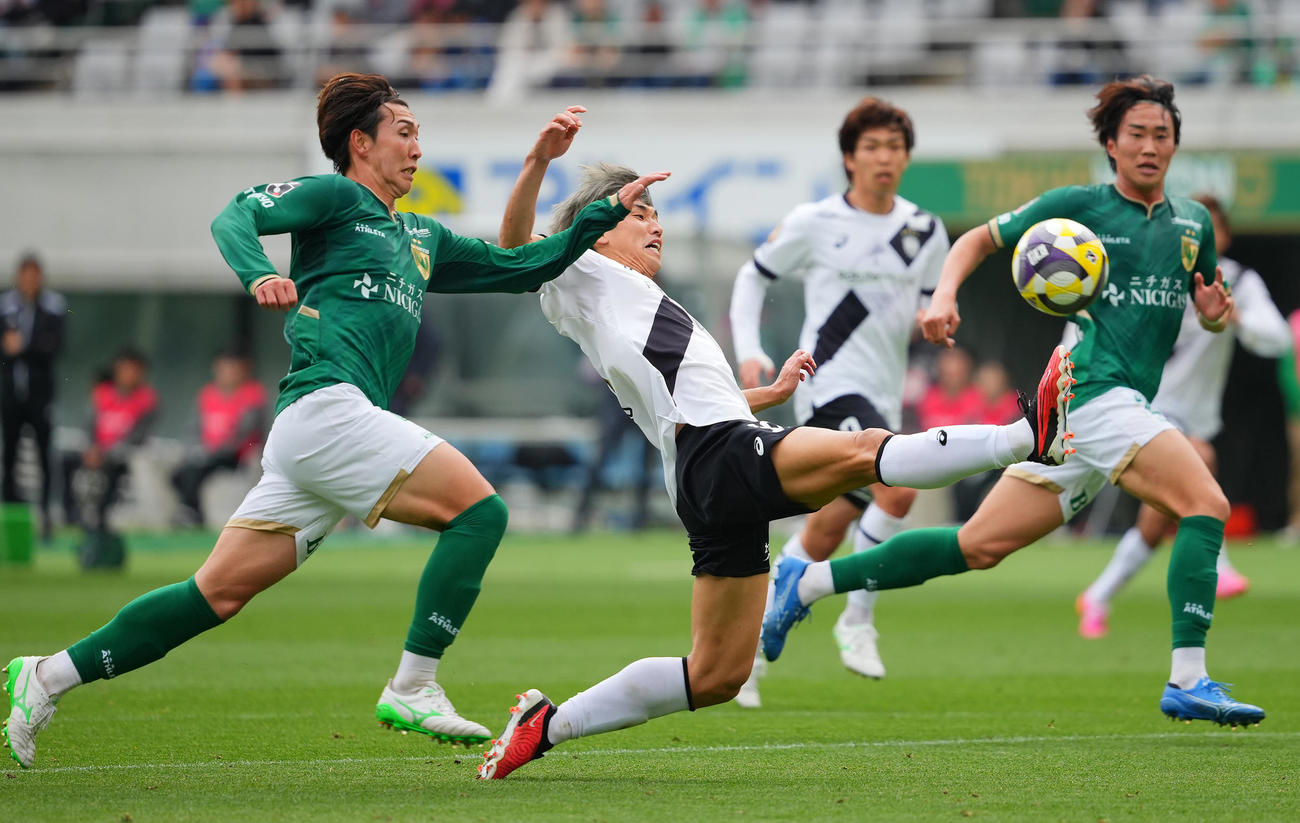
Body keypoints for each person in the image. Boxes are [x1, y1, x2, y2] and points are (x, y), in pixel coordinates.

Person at [1, 73, 667, 770]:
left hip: (321, 431)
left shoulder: (420, 236)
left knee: (213, 596)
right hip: (326, 409)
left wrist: (594, 215)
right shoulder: (338, 197)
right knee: (480, 513)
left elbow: (518, 266)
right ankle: (413, 683)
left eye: (419, 135)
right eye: (404, 133)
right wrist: (258, 273)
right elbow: (234, 215)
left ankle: (45, 675)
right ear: (360, 143)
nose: (417, 149)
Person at [474, 108, 1074, 780]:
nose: (656, 225)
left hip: (704, 465)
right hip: (717, 453)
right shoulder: (579, 272)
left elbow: (693, 398)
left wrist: (771, 391)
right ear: (600, 226)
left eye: (656, 214)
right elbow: (511, 249)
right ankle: (1026, 436)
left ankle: (546, 725)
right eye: (640, 214)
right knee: (866, 453)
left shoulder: (636, 297)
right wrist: (539, 162)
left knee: (717, 674)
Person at [760, 75, 1266, 728]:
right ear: (1111, 144)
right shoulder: (1080, 205)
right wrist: (944, 296)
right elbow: (976, 240)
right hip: (1092, 392)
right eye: (1136, 134)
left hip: (1095, 413)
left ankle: (807, 582)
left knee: (977, 546)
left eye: (1161, 135)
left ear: (1175, 145)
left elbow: (1207, 310)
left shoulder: (1193, 223)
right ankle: (1188, 677)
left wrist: (1214, 315)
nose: (1149, 146)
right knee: (1206, 504)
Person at [727, 96, 949, 703]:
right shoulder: (815, 221)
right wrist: (750, 351)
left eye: (894, 147)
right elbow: (752, 276)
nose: (884, 157)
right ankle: (857, 619)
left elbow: (928, 304)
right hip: (826, 384)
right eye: (871, 147)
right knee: (900, 488)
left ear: (906, 158)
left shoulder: (925, 230)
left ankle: (746, 659)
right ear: (850, 158)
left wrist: (935, 318)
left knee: (825, 533)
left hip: (881, 394)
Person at [1076, 193, 1291, 637]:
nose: (1197, 238)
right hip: (1140, 404)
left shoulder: (1238, 282)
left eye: (1209, 229)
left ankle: (1097, 596)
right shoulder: (1149, 274)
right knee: (1201, 461)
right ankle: (1219, 565)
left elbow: (1278, 339)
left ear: (1224, 236)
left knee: (1156, 522)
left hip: (1194, 415)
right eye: (1190, 229)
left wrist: (1236, 317)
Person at [0, 252, 65, 541]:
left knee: (44, 457)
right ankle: (11, 522)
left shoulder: (54, 307)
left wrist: (23, 347)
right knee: (10, 457)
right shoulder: (6, 306)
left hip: (40, 396)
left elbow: (55, 346)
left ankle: (46, 519)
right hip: (11, 395)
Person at [59, 348, 158, 533]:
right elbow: (89, 425)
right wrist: (92, 448)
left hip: (123, 455)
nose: (128, 374)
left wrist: (107, 451)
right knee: (65, 459)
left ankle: (102, 516)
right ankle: (70, 513)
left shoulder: (147, 399)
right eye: (124, 369)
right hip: (96, 450)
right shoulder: (102, 393)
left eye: (133, 370)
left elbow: (139, 436)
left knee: (114, 464)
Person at [170, 349, 270, 528]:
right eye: (224, 369)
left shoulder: (253, 394)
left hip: (237, 456)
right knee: (180, 472)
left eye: (233, 369)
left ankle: (191, 513)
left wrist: (214, 451)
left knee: (194, 470)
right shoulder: (207, 394)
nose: (228, 374)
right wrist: (196, 450)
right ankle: (191, 512)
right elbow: (193, 430)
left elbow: (245, 433)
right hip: (208, 453)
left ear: (244, 370)